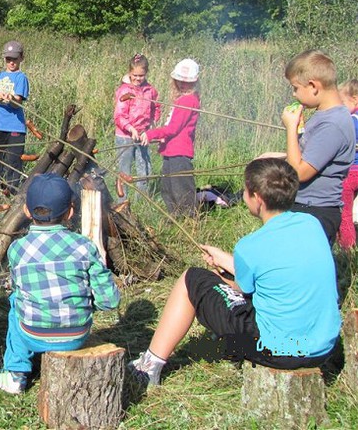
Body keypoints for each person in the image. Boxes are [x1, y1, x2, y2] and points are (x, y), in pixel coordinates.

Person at [128, 158, 341, 387]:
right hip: (322, 347)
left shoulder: (250, 246)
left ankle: (149, 367)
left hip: (277, 351)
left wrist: (217, 277)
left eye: (246, 191)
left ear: (257, 198)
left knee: (192, 279)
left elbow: (241, 289)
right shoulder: (312, 224)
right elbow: (274, 268)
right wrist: (226, 260)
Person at [0, 173, 120, 394]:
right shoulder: (84, 247)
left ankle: (15, 372)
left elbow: (22, 290)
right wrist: (87, 302)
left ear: (26, 212)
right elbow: (110, 301)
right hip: (77, 336)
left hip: (32, 334)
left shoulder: (17, 249)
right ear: (70, 212)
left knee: (15, 302)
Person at [281, 50, 355, 246]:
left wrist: (290, 128)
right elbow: (311, 155)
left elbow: (300, 172)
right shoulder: (324, 116)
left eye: (296, 88)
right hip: (307, 207)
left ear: (313, 86)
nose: (294, 94)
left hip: (315, 211)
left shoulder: (332, 124)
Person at [140, 59, 200, 216]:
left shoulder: (188, 100)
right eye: (179, 81)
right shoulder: (182, 99)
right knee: (168, 188)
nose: (182, 84)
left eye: (186, 82)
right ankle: (174, 218)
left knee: (181, 190)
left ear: (194, 82)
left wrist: (151, 134)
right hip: (171, 150)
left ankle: (188, 221)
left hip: (180, 152)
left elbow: (173, 128)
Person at [113, 53, 161, 202]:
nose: (138, 78)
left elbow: (156, 108)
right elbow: (119, 116)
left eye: (141, 75)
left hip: (143, 135)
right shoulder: (125, 91)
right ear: (129, 73)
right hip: (125, 136)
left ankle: (142, 201)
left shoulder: (150, 90)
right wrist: (131, 129)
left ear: (146, 73)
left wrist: (151, 127)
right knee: (124, 170)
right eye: (134, 75)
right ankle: (123, 203)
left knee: (144, 168)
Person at [0, 41, 29, 194]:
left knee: (13, 160)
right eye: (8, 59)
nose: (11, 62)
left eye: (15, 59)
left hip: (14, 126)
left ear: (21, 58)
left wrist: (10, 98)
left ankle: (12, 190)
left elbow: (17, 103)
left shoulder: (21, 78)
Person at [337, 79, 358, 250]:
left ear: (355, 99)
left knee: (345, 214)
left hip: (351, 173)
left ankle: (347, 250)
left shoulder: (351, 121)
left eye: (343, 102)